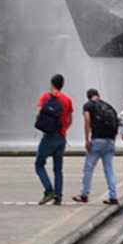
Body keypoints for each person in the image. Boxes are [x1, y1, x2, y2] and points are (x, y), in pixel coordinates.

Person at [73, 88, 119, 205]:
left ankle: (84, 194)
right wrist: (113, 139)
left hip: (97, 140)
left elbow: (87, 120)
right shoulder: (109, 106)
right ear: (98, 95)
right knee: (109, 169)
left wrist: (87, 139)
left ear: (88, 97)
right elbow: (117, 122)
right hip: (110, 141)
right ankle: (113, 196)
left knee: (88, 168)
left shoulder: (88, 106)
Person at [35, 74, 74, 205]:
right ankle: (58, 196)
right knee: (58, 169)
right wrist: (63, 130)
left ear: (51, 84)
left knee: (39, 164)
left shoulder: (46, 97)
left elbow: (38, 114)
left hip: (48, 137)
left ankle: (48, 190)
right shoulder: (67, 100)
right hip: (61, 137)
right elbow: (70, 120)